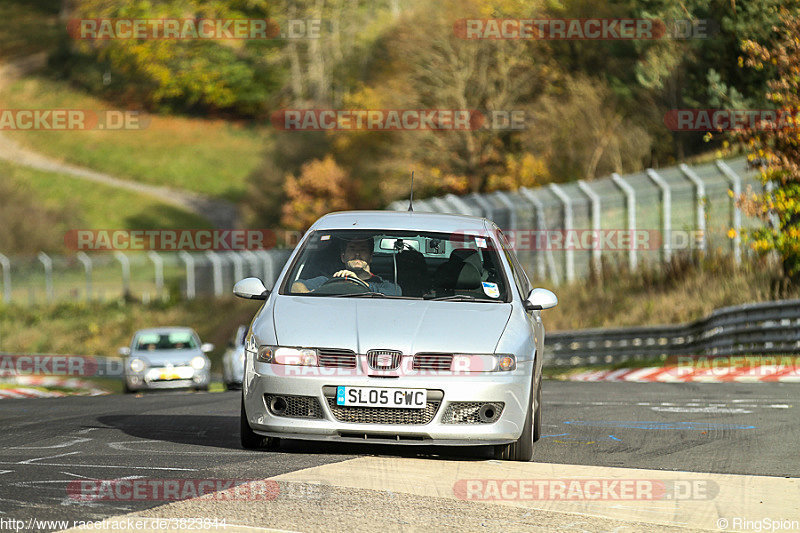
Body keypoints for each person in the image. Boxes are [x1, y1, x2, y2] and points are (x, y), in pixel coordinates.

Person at [291, 237, 401, 295]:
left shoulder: (383, 285)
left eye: (362, 249)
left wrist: (356, 281)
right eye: (352, 249)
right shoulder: (330, 280)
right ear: (343, 257)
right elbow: (296, 286)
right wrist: (311, 295)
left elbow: (396, 294)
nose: (357, 254)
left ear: (371, 256)